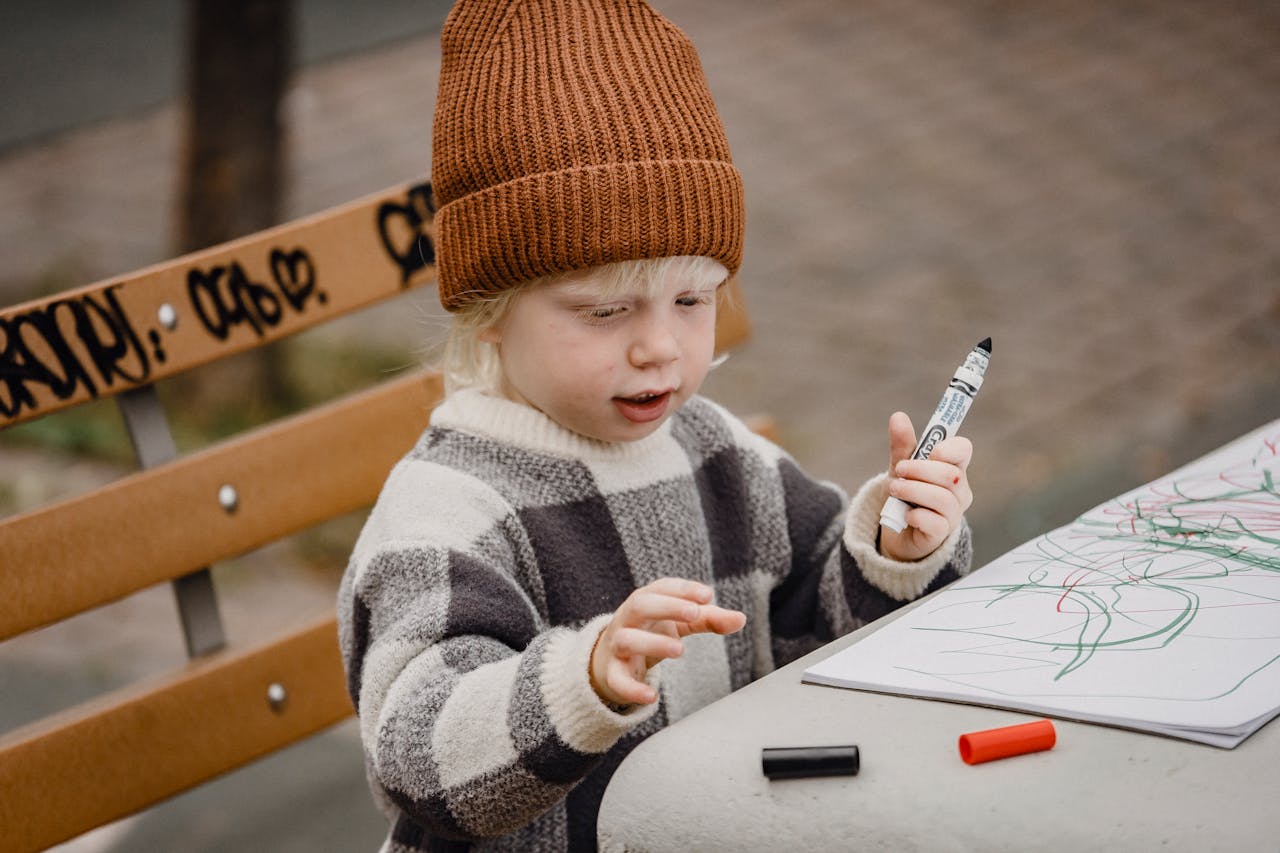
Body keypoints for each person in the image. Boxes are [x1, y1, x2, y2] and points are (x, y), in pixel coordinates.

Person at [337, 1, 975, 850]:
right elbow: (418, 753)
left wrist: (896, 552)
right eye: (605, 310)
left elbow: (821, 622)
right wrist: (583, 678)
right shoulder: (447, 512)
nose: (660, 348)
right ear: (488, 311)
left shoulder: (715, 452)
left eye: (692, 300)